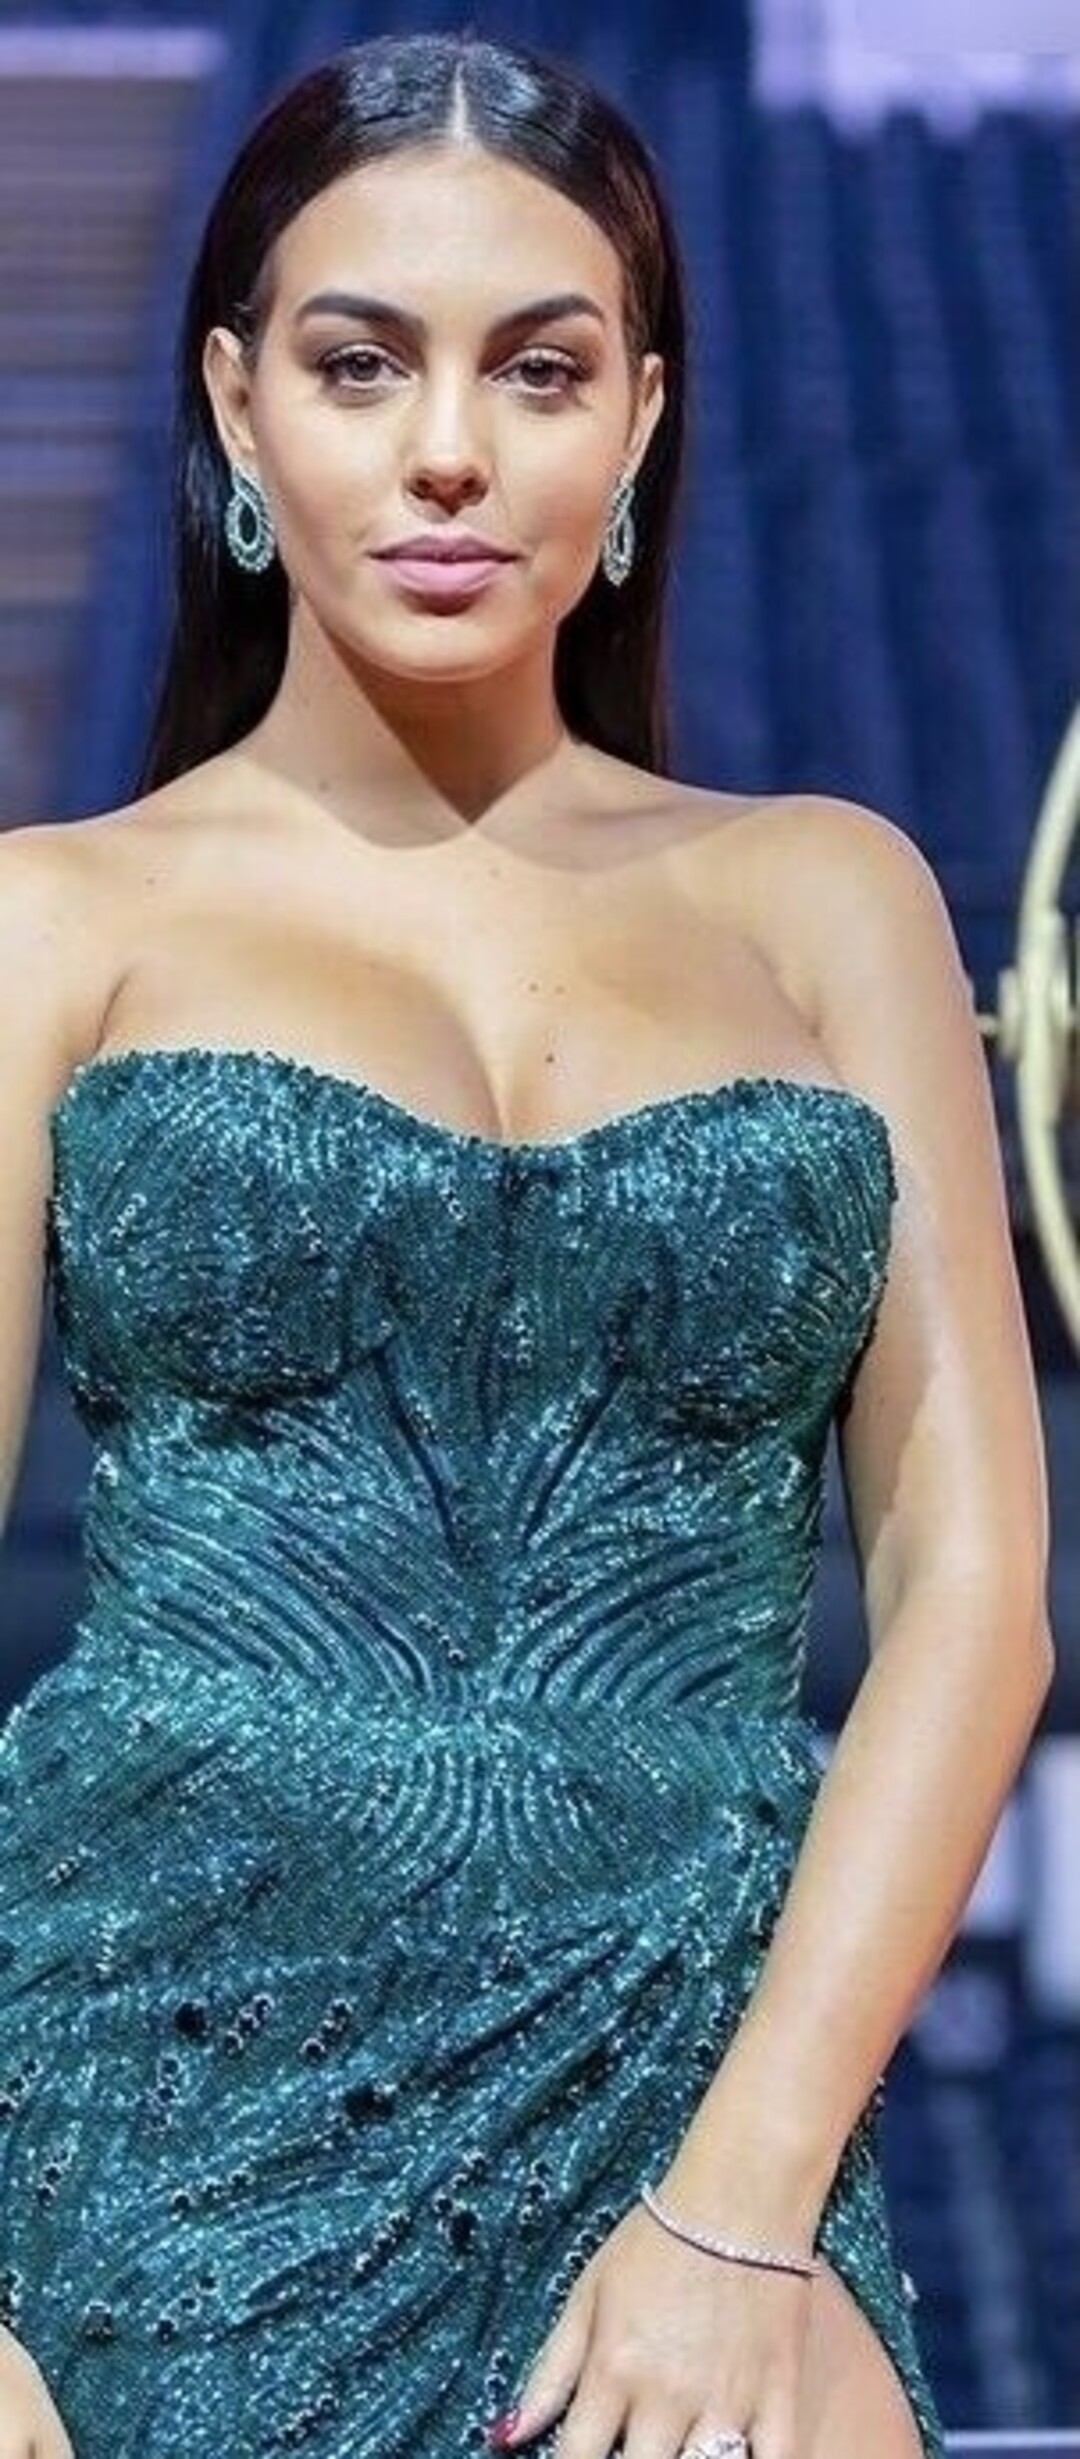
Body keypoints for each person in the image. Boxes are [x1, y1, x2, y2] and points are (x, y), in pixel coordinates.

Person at [0, 28, 1054, 2459]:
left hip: (704, 2109)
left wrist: (741, 2210)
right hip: (139, 2132)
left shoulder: (832, 896)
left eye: (542, 369)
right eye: (363, 363)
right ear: (238, 405)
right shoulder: (56, 922)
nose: (451, 450)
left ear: (645, 419)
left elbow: (978, 1596)